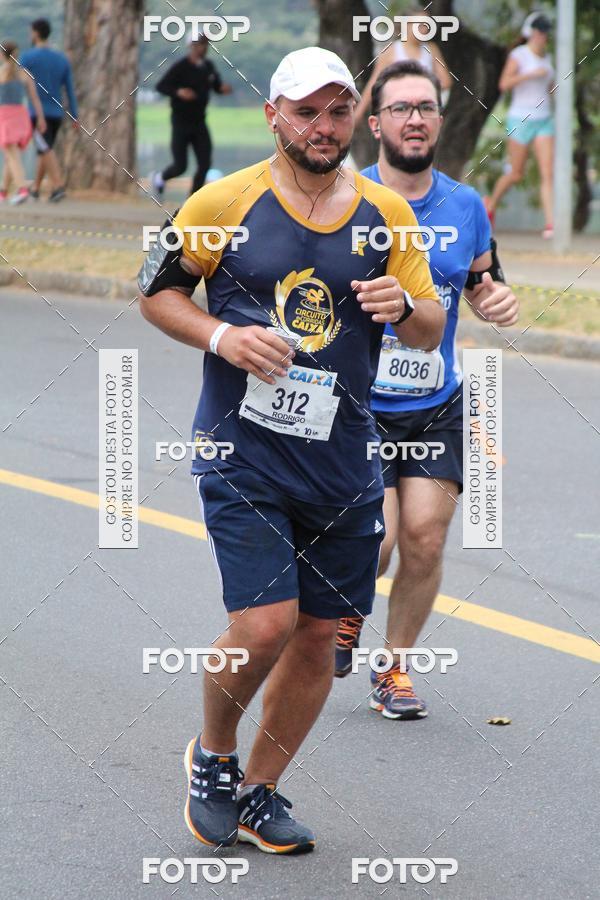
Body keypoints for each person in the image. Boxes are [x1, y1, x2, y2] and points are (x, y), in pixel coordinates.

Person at [138, 47, 444, 853]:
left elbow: (432, 325)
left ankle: (259, 792)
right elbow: (157, 292)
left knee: (319, 633)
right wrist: (221, 333)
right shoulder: (224, 199)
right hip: (242, 450)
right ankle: (213, 757)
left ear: (356, 116)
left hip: (343, 458)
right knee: (266, 622)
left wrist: (403, 303)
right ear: (274, 114)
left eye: (339, 110)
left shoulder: (386, 212)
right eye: (306, 111)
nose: (324, 126)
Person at [334, 60, 519, 719]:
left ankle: (394, 670)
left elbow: (481, 278)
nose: (415, 119)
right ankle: (347, 606)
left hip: (434, 403)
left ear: (440, 121)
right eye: (401, 108)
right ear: (376, 122)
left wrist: (495, 297)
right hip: (357, 404)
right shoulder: (344, 199)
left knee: (425, 538)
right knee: (374, 540)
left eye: (427, 107)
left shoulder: (466, 204)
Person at [484, 12, 555, 238]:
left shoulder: (548, 57)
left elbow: (550, 87)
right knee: (516, 174)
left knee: (548, 173)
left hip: (544, 119)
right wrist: (530, 75)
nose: (542, 36)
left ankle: (551, 224)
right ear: (531, 32)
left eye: (545, 32)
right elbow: (504, 84)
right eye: (539, 31)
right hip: (520, 118)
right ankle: (491, 205)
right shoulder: (519, 55)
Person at [151, 35, 232, 197]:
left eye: (205, 44)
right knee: (181, 166)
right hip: (181, 122)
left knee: (205, 164)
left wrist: (222, 89)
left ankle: (193, 198)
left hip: (200, 122)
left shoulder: (208, 67)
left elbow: (215, 85)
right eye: (199, 44)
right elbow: (161, 86)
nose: (203, 48)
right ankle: (160, 177)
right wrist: (178, 92)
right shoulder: (180, 67)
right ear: (191, 46)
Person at [355, 8, 452, 121]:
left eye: (427, 26)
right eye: (420, 25)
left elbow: (446, 81)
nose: (424, 30)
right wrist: (357, 115)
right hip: (397, 110)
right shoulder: (391, 51)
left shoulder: (431, 49)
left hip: (423, 112)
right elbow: (374, 84)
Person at [20, 17, 78, 202]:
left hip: (38, 114)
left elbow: (18, 84)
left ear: (36, 33)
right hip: (57, 113)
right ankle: (36, 189)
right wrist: (75, 116)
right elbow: (69, 89)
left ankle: (58, 186)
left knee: (45, 149)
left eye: (31, 32)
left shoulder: (27, 58)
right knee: (44, 149)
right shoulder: (62, 59)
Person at [0, 41, 46, 204]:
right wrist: (40, 118)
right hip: (21, 115)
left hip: (5, 116)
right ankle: (3, 192)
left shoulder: (1, 73)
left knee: (11, 154)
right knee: (11, 154)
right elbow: (35, 99)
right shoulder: (24, 74)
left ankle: (22, 189)